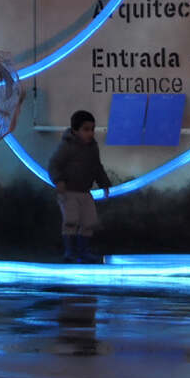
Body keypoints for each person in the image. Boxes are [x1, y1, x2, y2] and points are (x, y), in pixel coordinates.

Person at [47, 109, 111, 263]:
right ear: (75, 130)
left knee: (89, 222)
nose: (90, 133)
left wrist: (104, 184)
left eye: (92, 129)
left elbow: (97, 167)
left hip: (85, 192)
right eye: (86, 129)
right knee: (71, 221)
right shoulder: (67, 146)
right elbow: (54, 164)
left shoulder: (92, 148)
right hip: (68, 192)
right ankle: (70, 252)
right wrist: (59, 181)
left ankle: (84, 251)